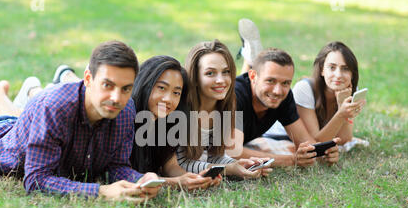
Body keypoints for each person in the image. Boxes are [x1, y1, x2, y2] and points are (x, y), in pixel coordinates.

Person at [0, 40, 161, 202]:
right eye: (107, 85)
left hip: (16, 128)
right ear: (88, 79)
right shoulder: (55, 108)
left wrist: (140, 179)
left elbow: (115, 166)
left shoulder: (126, 111)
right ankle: (3, 100)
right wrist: (101, 192)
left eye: (126, 88)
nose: (117, 98)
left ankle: (2, 101)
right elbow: (36, 180)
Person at [232, 43, 340, 167]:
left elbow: (305, 141)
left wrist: (324, 152)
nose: (277, 91)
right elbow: (229, 152)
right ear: (253, 76)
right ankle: (248, 56)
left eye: (285, 83)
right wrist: (291, 160)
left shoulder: (284, 97)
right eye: (270, 81)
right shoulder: (235, 96)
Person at [177, 39, 272, 179]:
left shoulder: (227, 105)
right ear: (195, 77)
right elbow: (180, 164)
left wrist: (238, 164)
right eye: (210, 73)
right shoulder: (181, 109)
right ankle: (248, 57)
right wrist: (229, 169)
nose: (221, 80)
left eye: (226, 72)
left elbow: (213, 156)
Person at [130, 55, 221, 190]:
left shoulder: (167, 123)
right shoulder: (127, 117)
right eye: (161, 88)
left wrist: (194, 179)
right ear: (144, 84)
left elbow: (170, 166)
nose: (168, 99)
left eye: (176, 93)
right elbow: (126, 175)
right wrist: (175, 182)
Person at [264, 41, 366, 147]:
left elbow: (344, 140)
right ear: (322, 70)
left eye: (345, 69)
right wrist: (342, 113)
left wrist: (342, 105)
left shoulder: (349, 91)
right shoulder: (304, 89)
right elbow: (315, 144)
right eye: (332, 67)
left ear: (352, 73)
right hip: (277, 137)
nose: (338, 75)